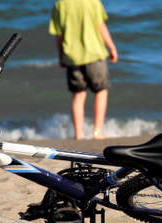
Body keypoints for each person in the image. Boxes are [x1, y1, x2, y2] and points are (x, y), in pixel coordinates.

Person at [49, 0, 118, 140]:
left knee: (78, 95)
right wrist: (111, 47)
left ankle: (78, 135)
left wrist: (61, 56)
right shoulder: (92, 1)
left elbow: (59, 35)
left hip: (72, 57)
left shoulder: (60, 4)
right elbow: (100, 26)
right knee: (101, 91)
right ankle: (97, 132)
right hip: (94, 54)